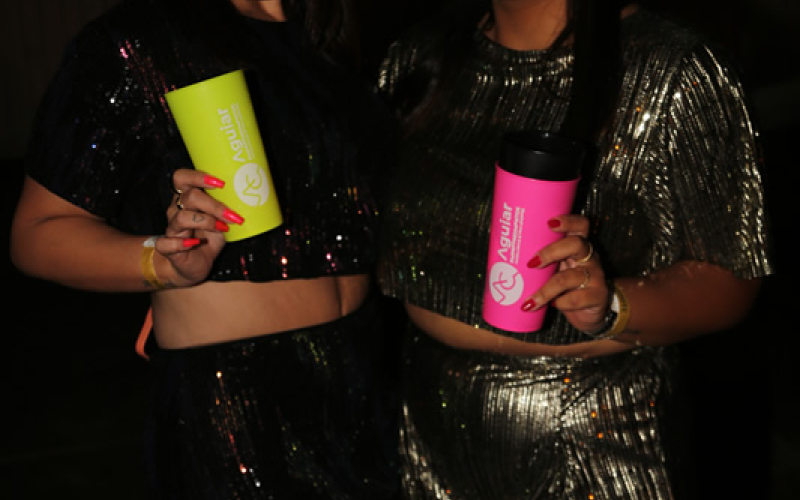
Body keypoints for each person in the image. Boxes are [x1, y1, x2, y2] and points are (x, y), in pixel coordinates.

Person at [375, 0, 773, 498]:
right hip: (429, 427)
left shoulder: (675, 68)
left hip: (594, 436)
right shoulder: (417, 55)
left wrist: (610, 305)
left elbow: (730, 278)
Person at [10, 0, 399, 498]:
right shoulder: (139, 39)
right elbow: (37, 233)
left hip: (367, 379)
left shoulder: (336, 38)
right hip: (238, 400)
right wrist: (161, 261)